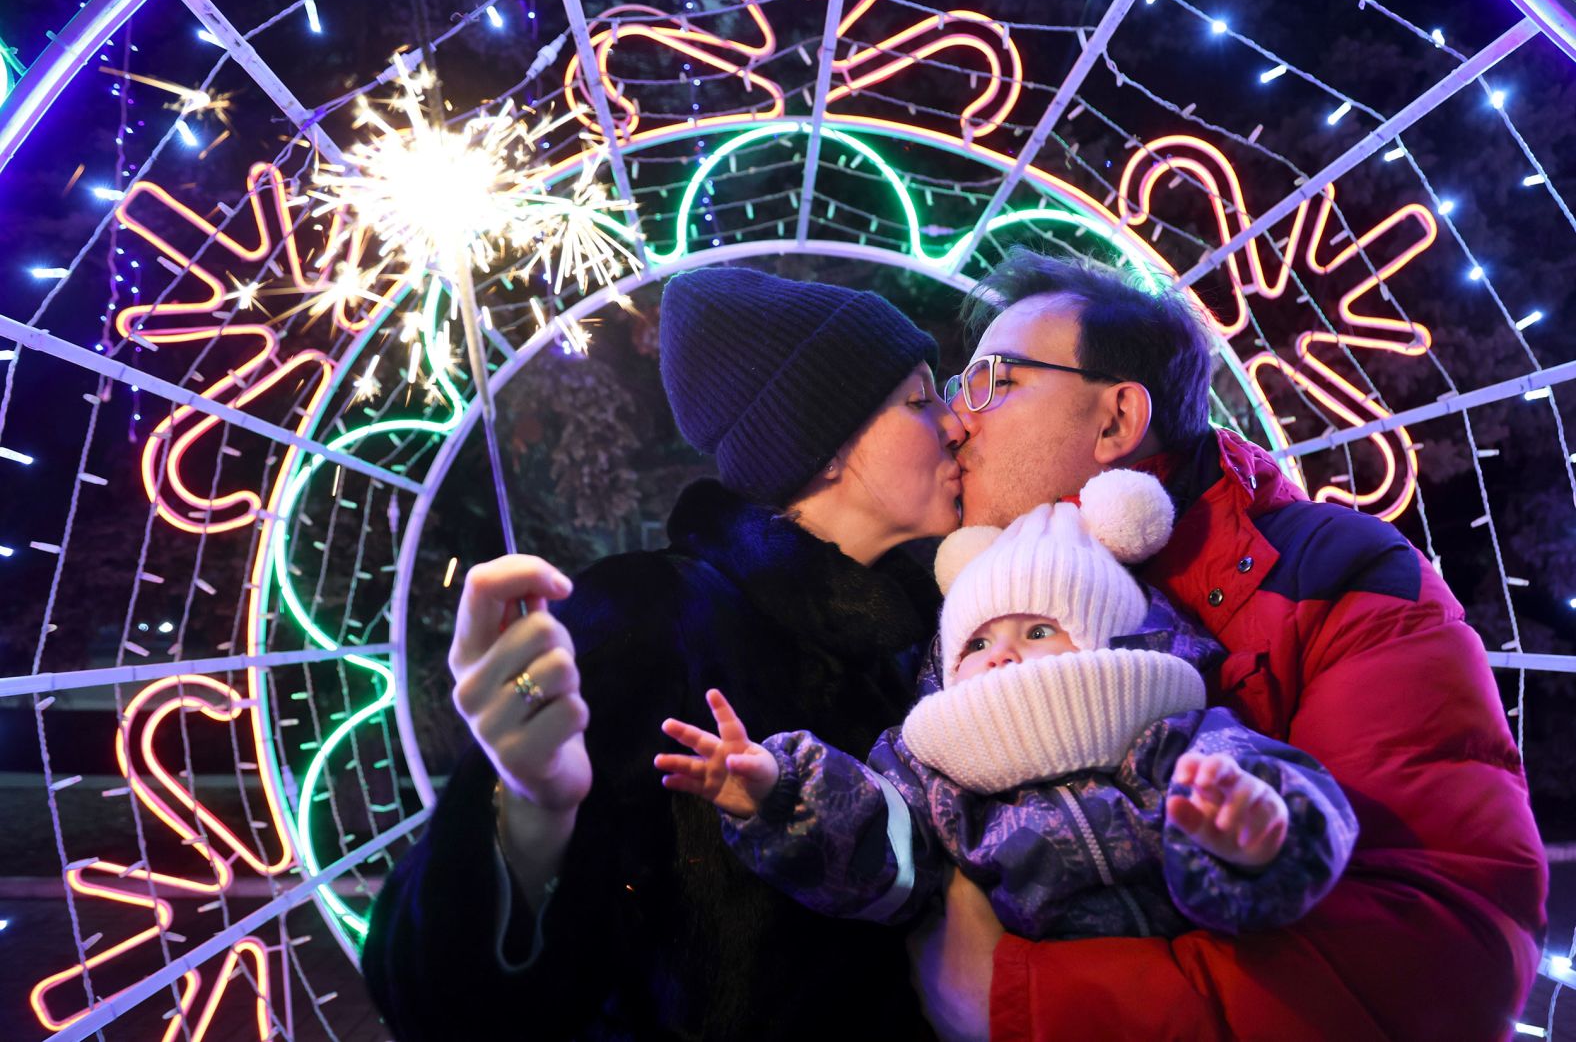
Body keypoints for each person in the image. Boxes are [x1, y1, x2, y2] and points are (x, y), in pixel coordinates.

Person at [907, 249, 1548, 1041]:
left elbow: (1447, 958)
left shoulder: (1341, 575)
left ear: (1116, 419)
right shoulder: (955, 607)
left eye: (993, 382)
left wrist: (1025, 1000)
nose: (956, 417)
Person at [362, 266, 967, 1039]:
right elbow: (437, 998)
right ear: (823, 447)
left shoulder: (920, 643)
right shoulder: (646, 618)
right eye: (919, 399)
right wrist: (529, 811)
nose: (953, 424)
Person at [658, 469, 1356, 943]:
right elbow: (880, 854)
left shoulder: (1173, 734)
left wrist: (1257, 833)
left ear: (1106, 641)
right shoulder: (933, 769)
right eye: (979, 640)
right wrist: (781, 794)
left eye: (1040, 629)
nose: (1000, 653)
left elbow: (1282, 777)